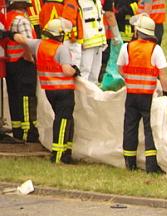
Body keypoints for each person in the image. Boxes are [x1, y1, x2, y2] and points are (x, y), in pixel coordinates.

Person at [13, 17, 78, 163]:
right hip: (64, 90)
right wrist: (75, 71)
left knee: (65, 119)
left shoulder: (38, 44)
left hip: (49, 90)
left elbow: (21, 39)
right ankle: (59, 155)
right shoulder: (61, 49)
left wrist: (10, 34)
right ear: (59, 35)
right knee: (63, 121)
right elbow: (67, 70)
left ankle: (66, 151)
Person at [119, 13, 167, 172]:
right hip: (148, 96)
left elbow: (120, 69)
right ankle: (151, 165)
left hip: (132, 95)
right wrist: (166, 93)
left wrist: (131, 79)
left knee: (130, 127)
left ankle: (130, 163)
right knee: (149, 129)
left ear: (137, 31)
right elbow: (163, 75)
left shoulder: (126, 47)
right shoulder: (156, 49)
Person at [4, 0, 40, 142]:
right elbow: (27, 42)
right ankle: (29, 132)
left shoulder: (8, 19)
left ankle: (18, 130)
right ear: (24, 7)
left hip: (11, 62)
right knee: (27, 97)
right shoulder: (22, 20)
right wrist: (29, 56)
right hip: (23, 62)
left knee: (14, 97)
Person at [76, 0, 106, 81]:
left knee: (95, 74)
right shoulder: (80, 2)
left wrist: (103, 40)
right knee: (84, 72)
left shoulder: (97, 2)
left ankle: (93, 93)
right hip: (87, 43)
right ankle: (82, 93)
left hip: (99, 42)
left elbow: (100, 21)